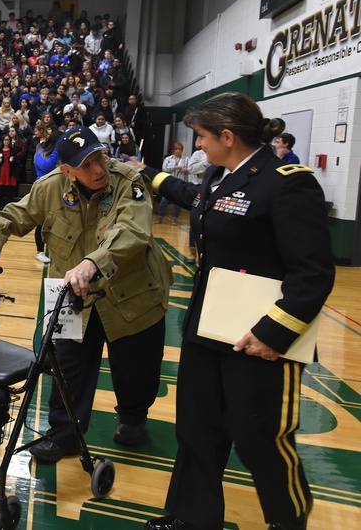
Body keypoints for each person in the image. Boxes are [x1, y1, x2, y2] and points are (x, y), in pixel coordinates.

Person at [131, 93, 335, 530]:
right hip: (210, 325)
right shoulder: (222, 176)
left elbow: (313, 274)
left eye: (202, 137)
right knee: (197, 427)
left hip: (261, 336)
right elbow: (198, 200)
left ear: (227, 136)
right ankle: (192, 517)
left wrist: (272, 333)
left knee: (259, 434)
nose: (198, 145)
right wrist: (148, 175)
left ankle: (288, 519)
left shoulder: (287, 182)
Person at [0, 126, 172, 463]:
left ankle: (134, 417)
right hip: (71, 296)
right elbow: (14, 214)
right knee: (67, 367)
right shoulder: (51, 188)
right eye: (87, 165)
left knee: (136, 369)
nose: (98, 169)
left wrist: (93, 263)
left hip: (132, 294)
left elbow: (133, 230)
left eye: (99, 158)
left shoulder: (128, 181)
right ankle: (65, 434)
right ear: (67, 171)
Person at [156, 142, 189, 224]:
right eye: (176, 149)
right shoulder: (168, 159)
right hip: (169, 181)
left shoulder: (186, 159)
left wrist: (185, 170)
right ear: (173, 150)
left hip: (180, 182)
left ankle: (175, 218)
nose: (178, 151)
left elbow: (190, 169)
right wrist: (173, 167)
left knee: (178, 202)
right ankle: (160, 217)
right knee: (164, 200)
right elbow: (164, 168)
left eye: (180, 149)